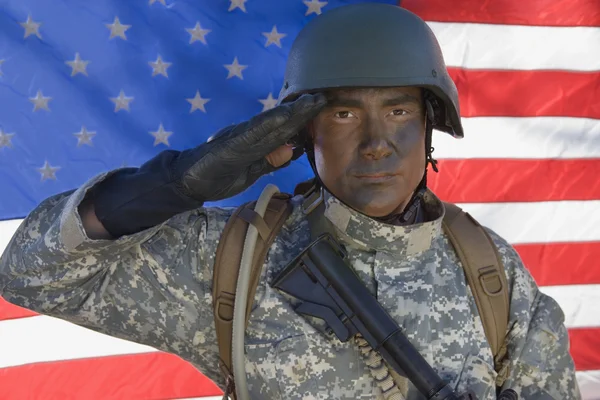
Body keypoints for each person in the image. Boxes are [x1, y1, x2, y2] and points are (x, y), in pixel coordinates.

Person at [0, 3, 581, 399]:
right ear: (305, 132)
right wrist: (176, 184)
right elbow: (33, 272)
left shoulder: (489, 271)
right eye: (345, 113)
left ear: (431, 127)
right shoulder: (234, 259)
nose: (377, 143)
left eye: (400, 111)